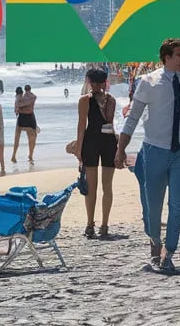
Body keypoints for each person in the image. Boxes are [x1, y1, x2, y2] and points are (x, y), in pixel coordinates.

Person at [117, 38, 180, 273]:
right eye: (179, 55)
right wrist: (120, 148)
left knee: (177, 203)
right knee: (152, 206)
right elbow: (133, 117)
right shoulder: (148, 82)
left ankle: (170, 252)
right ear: (166, 57)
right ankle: (154, 241)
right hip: (154, 150)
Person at [74, 68, 119, 238]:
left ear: (90, 82)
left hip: (91, 141)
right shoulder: (112, 100)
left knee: (91, 187)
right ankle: (105, 225)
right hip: (108, 142)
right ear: (105, 82)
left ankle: (90, 224)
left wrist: (78, 148)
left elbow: (81, 126)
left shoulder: (84, 100)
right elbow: (110, 124)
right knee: (107, 187)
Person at [12, 85, 38, 165]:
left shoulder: (19, 98)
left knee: (17, 138)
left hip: (21, 117)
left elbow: (16, 109)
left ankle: (13, 155)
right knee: (32, 137)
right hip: (30, 117)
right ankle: (30, 155)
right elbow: (28, 103)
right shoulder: (33, 96)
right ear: (30, 89)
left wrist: (19, 108)